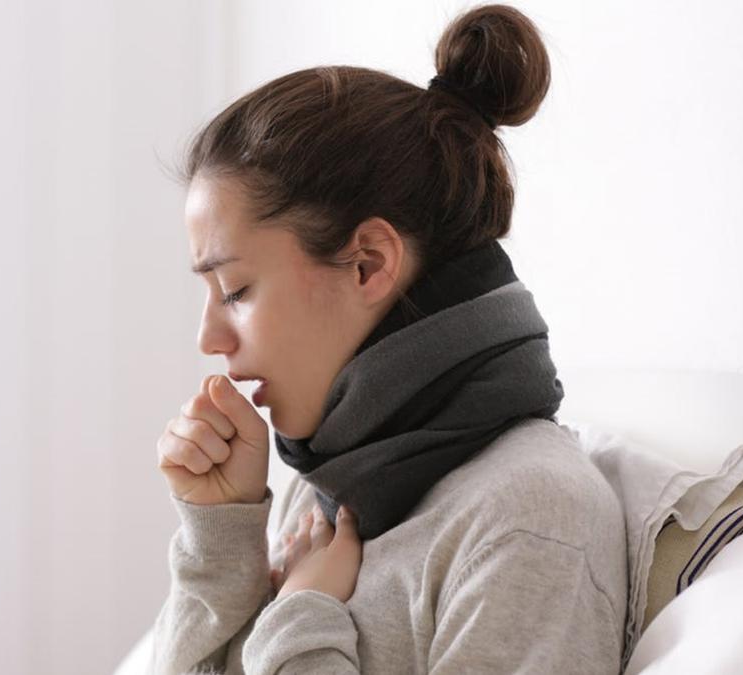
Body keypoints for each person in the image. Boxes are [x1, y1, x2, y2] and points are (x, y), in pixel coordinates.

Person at [151, 4, 627, 673]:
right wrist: (220, 541)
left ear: (368, 263)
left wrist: (301, 617)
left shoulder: (529, 519)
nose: (209, 337)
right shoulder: (327, 489)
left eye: (235, 290)